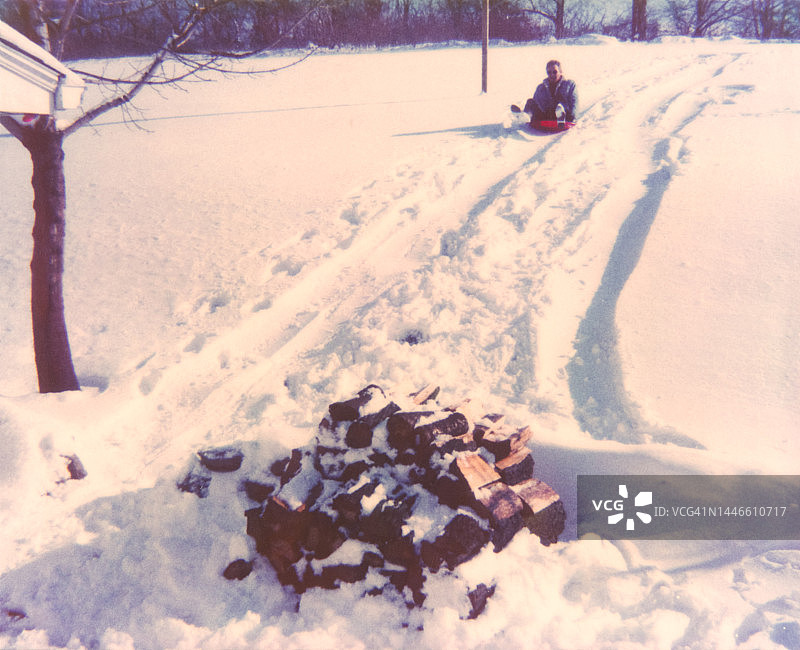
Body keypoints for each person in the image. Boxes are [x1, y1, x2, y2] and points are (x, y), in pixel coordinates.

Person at [523, 59, 577, 125]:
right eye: (549, 72)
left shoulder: (569, 84)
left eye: (555, 72)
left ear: (560, 71)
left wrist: (573, 116)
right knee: (530, 102)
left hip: (565, 115)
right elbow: (536, 101)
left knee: (560, 107)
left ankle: (560, 117)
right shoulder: (541, 87)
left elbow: (574, 103)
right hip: (546, 116)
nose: (552, 75)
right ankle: (527, 117)